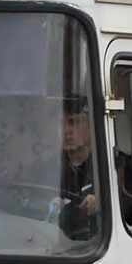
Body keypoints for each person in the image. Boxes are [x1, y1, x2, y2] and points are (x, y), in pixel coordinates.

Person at [51, 94, 100, 240]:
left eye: (72, 122)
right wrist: (49, 204)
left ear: (91, 124)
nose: (65, 131)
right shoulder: (47, 168)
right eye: (60, 124)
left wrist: (101, 205)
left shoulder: (110, 167)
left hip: (96, 245)